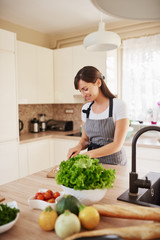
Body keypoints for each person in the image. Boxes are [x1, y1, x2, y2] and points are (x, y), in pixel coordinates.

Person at [67, 66, 129, 165]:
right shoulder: (85, 109)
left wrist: (88, 154)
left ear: (98, 83)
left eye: (85, 89)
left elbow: (117, 144)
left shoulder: (119, 105)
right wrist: (78, 147)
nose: (83, 94)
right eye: (80, 91)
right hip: (93, 164)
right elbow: (85, 139)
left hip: (115, 164)